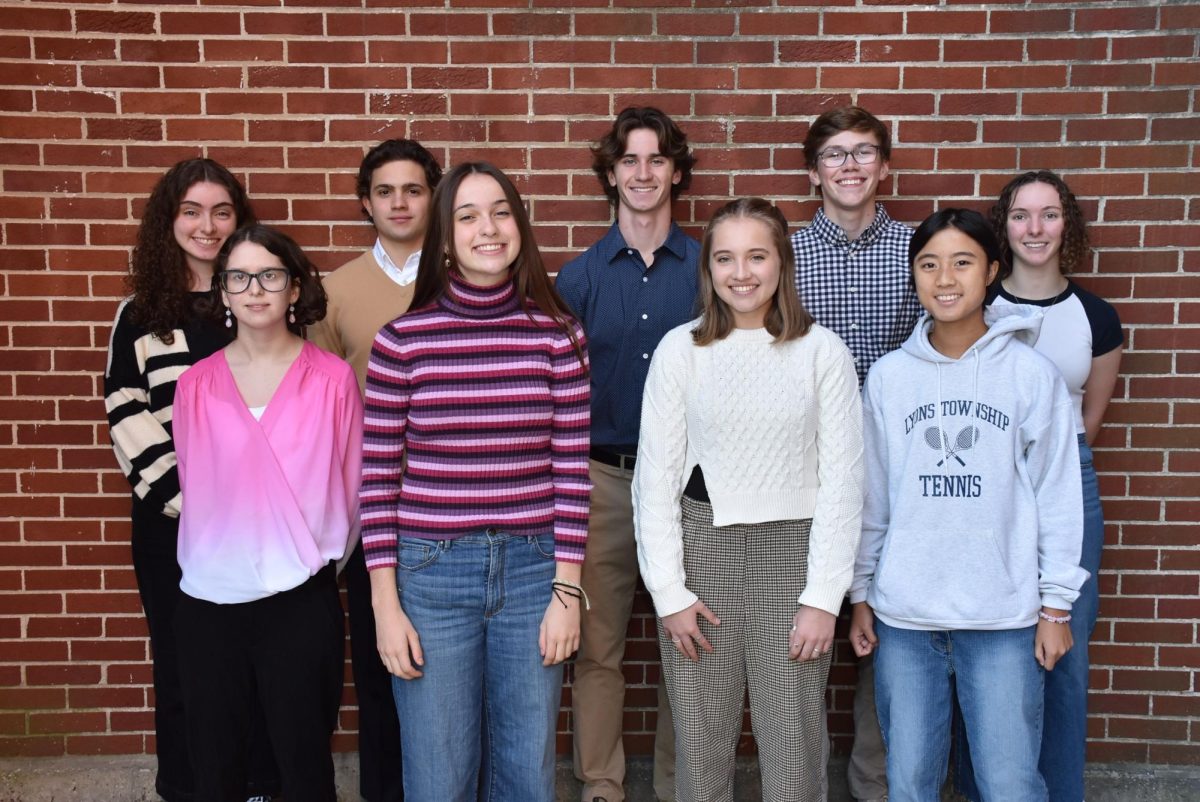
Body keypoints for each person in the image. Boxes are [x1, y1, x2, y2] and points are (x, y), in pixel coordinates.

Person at [361, 162, 591, 802]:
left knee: (527, 773)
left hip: (532, 573)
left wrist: (566, 593)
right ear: (443, 238)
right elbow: (376, 479)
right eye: (467, 215)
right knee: (439, 777)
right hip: (431, 577)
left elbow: (571, 472)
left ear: (519, 224)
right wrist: (386, 605)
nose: (487, 228)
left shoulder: (558, 336)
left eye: (500, 211)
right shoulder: (402, 342)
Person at [849, 208, 1088, 802]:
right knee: (909, 783)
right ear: (914, 277)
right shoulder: (889, 379)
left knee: (1009, 783)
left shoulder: (1030, 376)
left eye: (962, 262)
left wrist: (1056, 607)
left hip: (1002, 620)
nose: (945, 278)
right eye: (928, 264)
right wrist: (860, 595)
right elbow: (873, 498)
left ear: (991, 272)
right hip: (905, 618)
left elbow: (1058, 494)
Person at [633, 198, 863, 802]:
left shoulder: (823, 352)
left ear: (781, 263)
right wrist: (669, 594)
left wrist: (823, 597)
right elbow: (653, 481)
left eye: (757, 256)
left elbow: (844, 483)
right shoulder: (680, 350)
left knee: (792, 747)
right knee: (702, 748)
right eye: (726, 258)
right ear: (708, 269)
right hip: (701, 551)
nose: (742, 273)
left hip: (794, 556)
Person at [103, 158, 279, 802]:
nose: (208, 226)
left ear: (239, 220)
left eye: (222, 211)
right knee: (182, 668)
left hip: (261, 525)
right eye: (192, 211)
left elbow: (292, 406)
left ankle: (261, 784)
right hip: (173, 525)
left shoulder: (257, 300)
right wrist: (193, 502)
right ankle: (186, 787)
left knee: (258, 664)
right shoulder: (142, 314)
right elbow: (127, 414)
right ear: (168, 221)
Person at [171, 224, 359, 802]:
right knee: (216, 762)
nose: (255, 288)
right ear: (222, 292)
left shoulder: (332, 378)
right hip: (209, 602)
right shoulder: (195, 384)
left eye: (270, 275)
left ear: (294, 288)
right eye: (239, 277)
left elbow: (351, 492)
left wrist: (309, 564)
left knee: (304, 763)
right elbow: (197, 486)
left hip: (300, 599)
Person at [953, 171, 1123, 802]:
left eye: (1049, 216)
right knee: (984, 649)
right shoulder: (974, 303)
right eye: (1021, 216)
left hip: (1065, 483)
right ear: (1005, 227)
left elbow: (1090, 422)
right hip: (980, 485)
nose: (1035, 229)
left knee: (1064, 659)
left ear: (1066, 226)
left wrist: (1048, 486)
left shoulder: (1095, 317)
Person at [556, 105, 700, 802]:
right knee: (598, 650)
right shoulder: (578, 279)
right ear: (611, 174)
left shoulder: (710, 270)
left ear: (675, 171)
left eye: (656, 159)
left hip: (690, 486)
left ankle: (682, 786)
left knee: (689, 645)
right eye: (629, 160)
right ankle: (602, 786)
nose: (643, 173)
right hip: (602, 479)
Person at [789, 105, 921, 802]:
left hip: (898, 469)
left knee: (887, 627)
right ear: (814, 172)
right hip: (803, 471)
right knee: (805, 628)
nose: (849, 165)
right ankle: (802, 783)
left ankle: (876, 786)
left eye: (864, 153)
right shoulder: (782, 252)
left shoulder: (916, 248)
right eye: (834, 154)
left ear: (884, 167)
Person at [310, 138, 442, 802]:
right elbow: (319, 411)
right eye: (385, 191)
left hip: (457, 510)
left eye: (413, 190)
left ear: (433, 197)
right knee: (381, 669)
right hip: (377, 515)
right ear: (366, 201)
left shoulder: (464, 276)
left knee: (449, 678)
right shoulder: (334, 292)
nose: (398, 202)